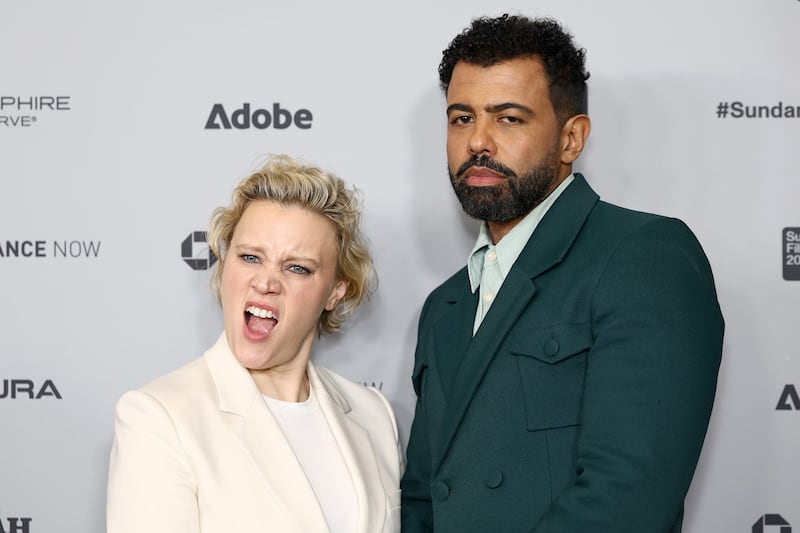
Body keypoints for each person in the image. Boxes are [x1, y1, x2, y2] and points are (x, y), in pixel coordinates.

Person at [401, 14, 724, 533]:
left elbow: (627, 498)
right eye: (461, 118)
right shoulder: (445, 304)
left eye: (508, 118)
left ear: (572, 138)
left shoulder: (643, 256)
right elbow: (422, 496)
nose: (478, 141)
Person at [107, 154, 404, 533]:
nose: (265, 282)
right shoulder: (159, 417)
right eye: (250, 257)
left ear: (335, 291)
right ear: (224, 265)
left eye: (297, 267)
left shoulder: (374, 414)